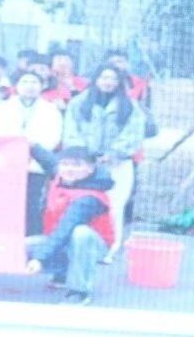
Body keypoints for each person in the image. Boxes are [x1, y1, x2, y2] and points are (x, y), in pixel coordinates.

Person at [63, 64, 146, 263]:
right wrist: (83, 155)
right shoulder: (78, 103)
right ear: (95, 80)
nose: (108, 82)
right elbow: (71, 131)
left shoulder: (130, 106)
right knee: (83, 205)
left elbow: (134, 134)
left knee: (114, 206)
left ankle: (109, 248)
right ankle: (78, 249)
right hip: (85, 165)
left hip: (118, 165)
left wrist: (114, 153)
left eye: (113, 79)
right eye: (104, 78)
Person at [25, 146, 115, 305]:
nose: (69, 169)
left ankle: (79, 291)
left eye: (76, 165)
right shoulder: (61, 176)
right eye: (65, 164)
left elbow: (65, 228)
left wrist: (40, 259)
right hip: (63, 240)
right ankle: (63, 272)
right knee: (21, 249)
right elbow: (47, 159)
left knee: (80, 233)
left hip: (93, 246)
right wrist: (31, 145)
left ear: (90, 168)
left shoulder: (89, 198)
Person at [0, 71, 64, 236]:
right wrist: (17, 145)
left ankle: (31, 237)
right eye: (25, 82)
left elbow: (53, 137)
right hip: (9, 162)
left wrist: (32, 145)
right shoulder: (3, 108)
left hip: (37, 163)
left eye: (34, 82)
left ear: (42, 86)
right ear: (16, 86)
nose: (30, 86)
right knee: (7, 202)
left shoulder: (51, 109)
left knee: (32, 204)